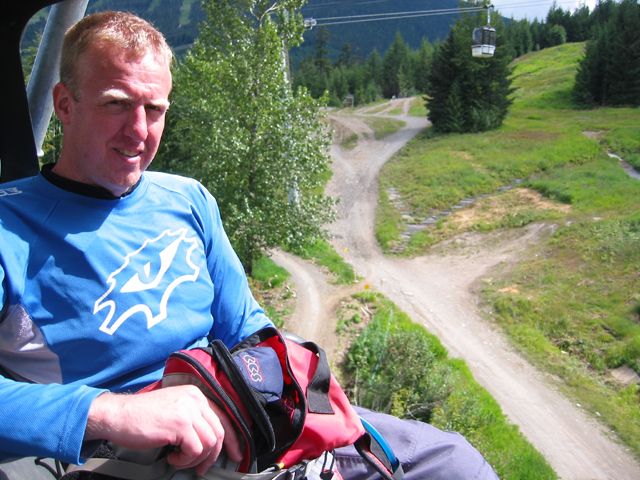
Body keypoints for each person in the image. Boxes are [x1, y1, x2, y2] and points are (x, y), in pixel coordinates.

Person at [0, 11, 498, 480]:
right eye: (116, 103)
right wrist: (113, 412)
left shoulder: (187, 200)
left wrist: (287, 392)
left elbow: (245, 327)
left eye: (154, 109)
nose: (138, 131)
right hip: (123, 452)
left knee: (455, 463)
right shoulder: (11, 226)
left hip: (235, 415)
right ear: (64, 104)